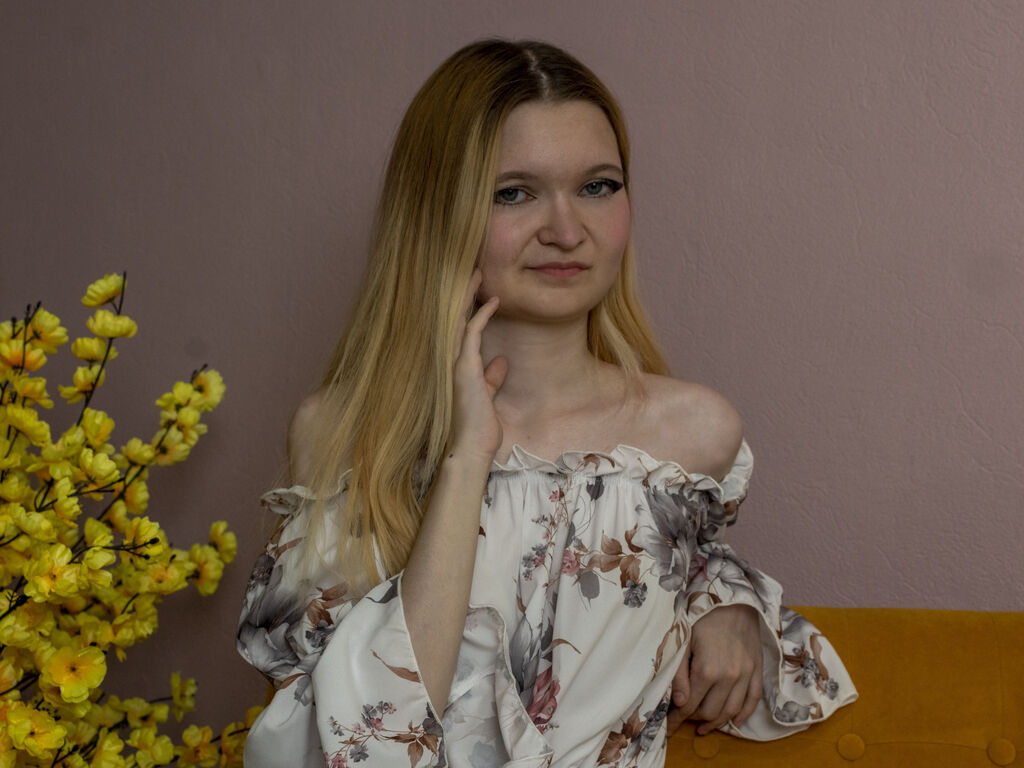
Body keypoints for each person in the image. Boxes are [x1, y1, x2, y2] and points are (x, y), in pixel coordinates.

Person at [236, 39, 856, 767]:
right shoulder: (341, 436)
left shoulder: (688, 437)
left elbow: (627, 573)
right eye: (514, 193)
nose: (566, 231)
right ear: (438, 212)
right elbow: (366, 737)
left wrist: (724, 596)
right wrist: (467, 457)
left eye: (598, 186)